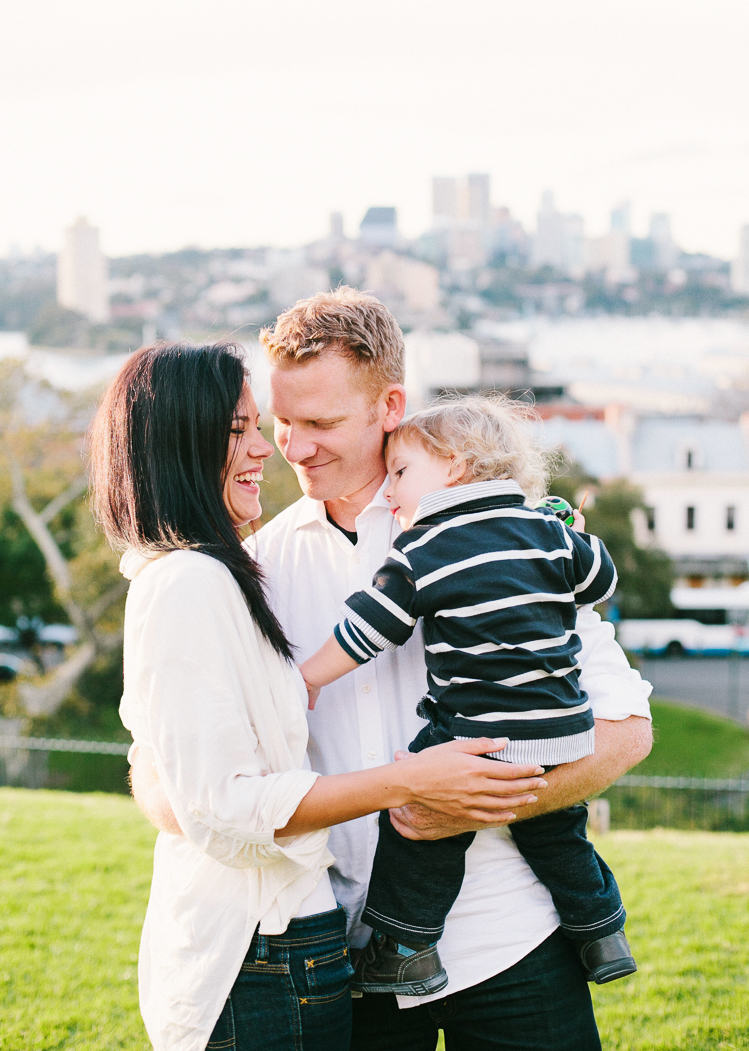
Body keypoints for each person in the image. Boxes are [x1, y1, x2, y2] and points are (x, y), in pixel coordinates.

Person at [132, 288, 653, 1051]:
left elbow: (626, 730)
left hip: (509, 941)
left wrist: (481, 799)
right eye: (281, 422)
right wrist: (200, 798)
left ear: (390, 405)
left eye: (320, 423)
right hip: (347, 959)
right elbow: (161, 767)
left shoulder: (495, 532)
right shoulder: (254, 568)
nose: (293, 446)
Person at [92, 341, 538, 1051]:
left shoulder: (230, 570)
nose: (272, 448)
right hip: (260, 945)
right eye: (240, 428)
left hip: (323, 938)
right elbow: (215, 798)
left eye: (256, 424)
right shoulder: (197, 580)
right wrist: (410, 779)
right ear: (181, 442)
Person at [301, 396, 636, 996]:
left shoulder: (426, 548)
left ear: (454, 466)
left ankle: (408, 948)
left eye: (401, 473)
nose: (391, 491)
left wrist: (309, 676)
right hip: (563, 723)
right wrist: (575, 538)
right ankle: (601, 930)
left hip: (478, 728)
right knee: (558, 831)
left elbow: (367, 628)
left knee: (419, 823)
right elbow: (599, 584)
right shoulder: (546, 530)